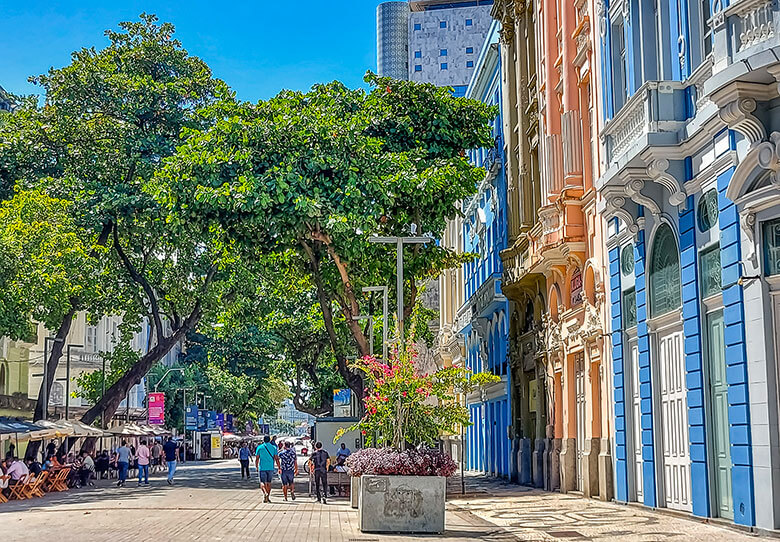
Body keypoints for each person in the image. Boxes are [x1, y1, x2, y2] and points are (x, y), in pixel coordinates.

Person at [254, 435, 280, 503]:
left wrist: (256, 466)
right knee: (269, 483)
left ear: (263, 440)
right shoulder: (273, 447)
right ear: (269, 440)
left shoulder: (259, 447)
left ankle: (265, 493)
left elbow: (257, 458)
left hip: (262, 467)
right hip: (270, 467)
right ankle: (267, 497)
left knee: (262, 482)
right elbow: (276, 458)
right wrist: (279, 467)